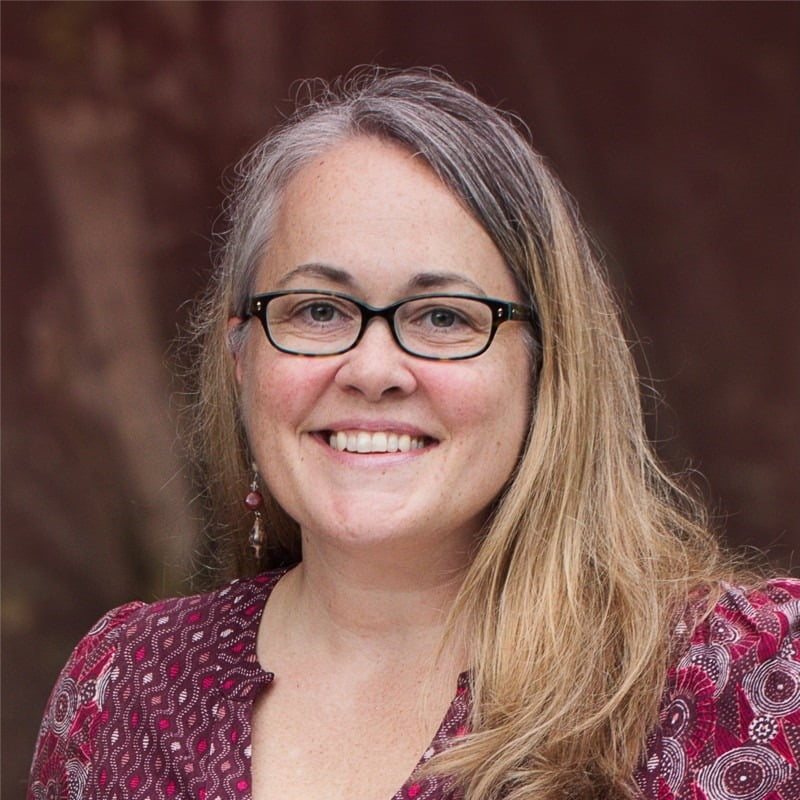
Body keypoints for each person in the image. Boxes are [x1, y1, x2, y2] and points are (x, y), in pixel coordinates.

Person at [28, 68, 800, 800]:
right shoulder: (124, 685)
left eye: (443, 317)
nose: (372, 369)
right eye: (318, 310)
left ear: (548, 366)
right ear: (242, 359)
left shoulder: (741, 675)